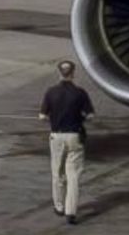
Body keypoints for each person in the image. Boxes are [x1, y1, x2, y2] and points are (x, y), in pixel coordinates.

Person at [39, 60, 95, 225]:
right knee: (74, 176)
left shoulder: (51, 92)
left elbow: (42, 116)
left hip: (57, 136)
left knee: (57, 173)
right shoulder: (80, 93)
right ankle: (71, 212)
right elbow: (91, 115)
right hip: (75, 136)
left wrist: (52, 117)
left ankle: (59, 206)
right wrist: (81, 118)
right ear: (73, 73)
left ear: (59, 73)